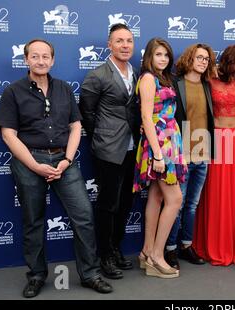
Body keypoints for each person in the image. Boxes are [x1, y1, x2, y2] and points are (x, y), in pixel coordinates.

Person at [0, 39, 112, 297]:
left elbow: (75, 127)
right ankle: (36, 275)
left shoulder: (63, 89)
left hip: (63, 160)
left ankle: (91, 273)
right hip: (29, 161)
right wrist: (35, 165)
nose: (40, 60)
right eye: (35, 56)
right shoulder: (13, 92)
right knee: (33, 221)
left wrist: (67, 160)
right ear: (26, 60)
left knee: (83, 215)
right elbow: (8, 135)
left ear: (53, 60)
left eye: (45, 56)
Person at [79, 24, 140, 279]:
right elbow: (86, 112)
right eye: (119, 41)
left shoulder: (135, 73)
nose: (125, 45)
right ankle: (103, 256)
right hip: (108, 148)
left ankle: (115, 248)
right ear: (109, 45)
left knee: (126, 202)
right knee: (107, 204)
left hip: (132, 147)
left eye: (129, 40)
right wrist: (101, 136)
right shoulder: (98, 75)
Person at [193, 44, 235, 266]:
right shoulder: (210, 79)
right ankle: (213, 244)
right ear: (231, 61)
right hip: (215, 139)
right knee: (216, 191)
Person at [133, 38, 187, 278]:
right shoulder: (147, 78)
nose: (163, 59)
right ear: (149, 57)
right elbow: (146, 116)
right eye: (158, 54)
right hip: (159, 144)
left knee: (156, 196)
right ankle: (157, 255)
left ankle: (146, 251)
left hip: (169, 140)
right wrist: (156, 153)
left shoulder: (165, 78)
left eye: (166, 55)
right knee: (174, 199)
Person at [164, 44, 216, 269]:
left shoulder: (206, 85)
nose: (203, 62)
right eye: (199, 57)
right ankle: (170, 249)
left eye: (206, 59)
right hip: (181, 156)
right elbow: (167, 119)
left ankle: (186, 245)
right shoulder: (176, 84)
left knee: (192, 205)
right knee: (178, 203)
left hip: (202, 155)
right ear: (189, 58)